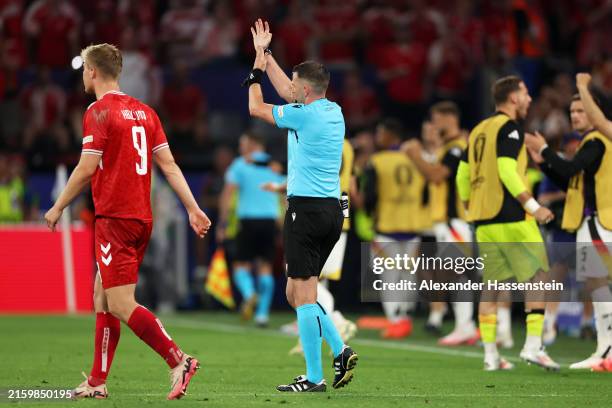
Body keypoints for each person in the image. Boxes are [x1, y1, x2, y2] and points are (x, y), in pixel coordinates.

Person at [43, 43, 211, 400]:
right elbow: (169, 166)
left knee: (120, 302)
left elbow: (87, 168)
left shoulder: (99, 112)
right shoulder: (146, 112)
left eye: (84, 70)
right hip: (140, 217)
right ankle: (97, 381)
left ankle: (178, 360)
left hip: (115, 219)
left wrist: (58, 206)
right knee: (101, 295)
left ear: (92, 71)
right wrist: (193, 208)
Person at [245, 19, 358, 392]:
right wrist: (267, 52)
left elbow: (257, 109)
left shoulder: (303, 115)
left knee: (303, 295)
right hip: (330, 211)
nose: (290, 89)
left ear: (304, 91)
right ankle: (338, 351)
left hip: (306, 212)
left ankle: (315, 376)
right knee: (297, 294)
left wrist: (255, 72)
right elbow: (290, 92)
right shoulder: (332, 111)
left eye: (295, 85)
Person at [456, 75, 559, 371]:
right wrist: (533, 205)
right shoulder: (510, 128)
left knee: (491, 288)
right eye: (525, 93)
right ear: (513, 98)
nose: (528, 98)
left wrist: (469, 204)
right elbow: (505, 169)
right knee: (539, 278)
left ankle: (491, 356)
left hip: (483, 221)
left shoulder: (478, 130)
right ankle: (533, 346)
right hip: (512, 216)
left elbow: (463, 175)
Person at [525, 93, 612, 371]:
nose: (575, 115)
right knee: (596, 285)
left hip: (601, 222)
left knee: (600, 285)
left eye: (581, 110)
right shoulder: (591, 142)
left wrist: (546, 150)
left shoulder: (598, 140)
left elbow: (572, 167)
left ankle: (606, 350)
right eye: (573, 110)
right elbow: (571, 180)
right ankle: (603, 350)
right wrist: (543, 163)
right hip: (590, 223)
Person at [402, 101, 478, 346]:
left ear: (449, 118)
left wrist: (414, 156)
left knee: (458, 274)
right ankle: (465, 325)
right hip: (445, 221)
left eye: (436, 119)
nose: (433, 125)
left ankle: (466, 326)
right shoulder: (449, 147)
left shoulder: (457, 148)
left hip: (455, 219)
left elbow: (436, 175)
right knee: (456, 275)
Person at [363, 118, 431, 339]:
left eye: (381, 133)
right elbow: (427, 192)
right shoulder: (417, 159)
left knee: (389, 274)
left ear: (392, 135)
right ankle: (405, 315)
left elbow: (370, 195)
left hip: (387, 225)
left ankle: (394, 319)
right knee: (408, 273)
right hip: (413, 223)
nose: (377, 137)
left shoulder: (378, 160)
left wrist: (369, 213)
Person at [217, 132, 285, 326]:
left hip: (247, 221)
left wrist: (222, 223)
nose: (240, 147)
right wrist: (283, 223)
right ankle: (262, 314)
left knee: (240, 265)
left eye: (243, 143)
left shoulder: (239, 165)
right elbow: (283, 194)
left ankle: (249, 294)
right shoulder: (275, 165)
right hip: (270, 221)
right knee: (265, 267)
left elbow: (228, 194)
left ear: (253, 144)